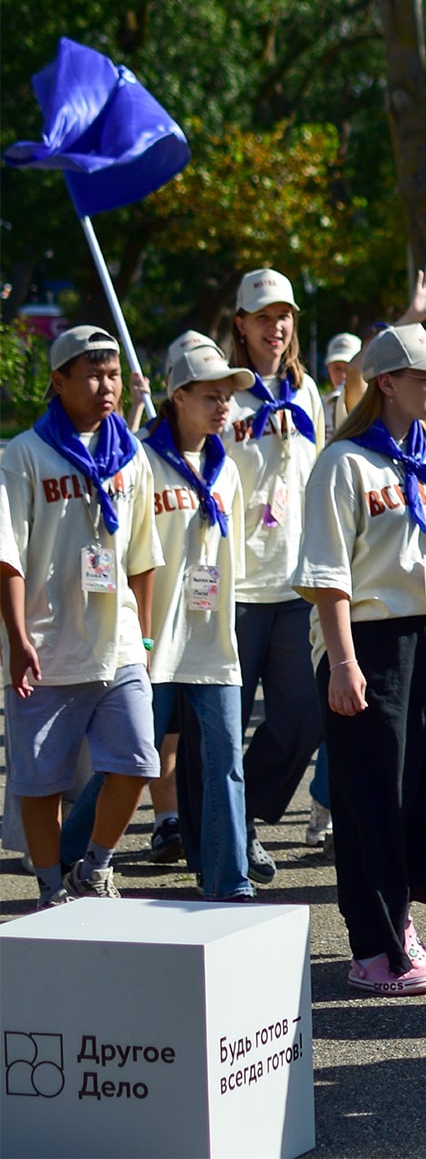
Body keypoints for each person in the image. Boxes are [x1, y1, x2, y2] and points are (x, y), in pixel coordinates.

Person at [298, 324, 426, 996]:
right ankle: (377, 943)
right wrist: (343, 663)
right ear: (386, 383)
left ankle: (400, 897)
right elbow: (327, 575)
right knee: (373, 800)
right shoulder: (343, 462)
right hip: (370, 641)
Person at [0, 326, 163, 906]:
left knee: (139, 760)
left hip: (116, 646)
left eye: (113, 374)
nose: (106, 386)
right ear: (58, 381)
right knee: (40, 784)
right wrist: (18, 639)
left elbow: (143, 557)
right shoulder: (23, 454)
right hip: (45, 648)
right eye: (92, 374)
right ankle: (49, 888)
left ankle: (94, 865)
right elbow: (8, 556)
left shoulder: (131, 455)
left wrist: (141, 640)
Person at [225, 266, 332, 883]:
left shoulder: (307, 390)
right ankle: (225, 836)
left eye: (283, 317)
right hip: (234, 586)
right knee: (225, 723)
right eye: (263, 317)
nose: (276, 327)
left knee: (302, 717)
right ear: (241, 324)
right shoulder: (224, 393)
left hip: (296, 584)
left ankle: (241, 814)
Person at [139, 345, 257, 900]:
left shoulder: (227, 469)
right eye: (211, 395)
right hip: (150, 643)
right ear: (177, 396)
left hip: (214, 643)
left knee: (226, 765)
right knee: (129, 762)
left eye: (228, 397)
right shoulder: (141, 461)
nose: (223, 407)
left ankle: (229, 881)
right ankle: (71, 855)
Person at [323, 331, 363, 427]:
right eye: (337, 368)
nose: (343, 376)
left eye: (349, 369)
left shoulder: (374, 408)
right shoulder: (318, 407)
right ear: (328, 369)